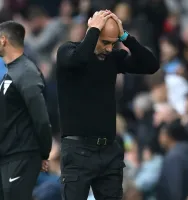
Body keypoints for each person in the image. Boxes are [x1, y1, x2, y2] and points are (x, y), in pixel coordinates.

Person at [56, 10, 159, 200]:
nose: (110, 48)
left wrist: (125, 37)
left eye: (113, 42)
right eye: (105, 42)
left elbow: (151, 65)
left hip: (109, 150)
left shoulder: (112, 58)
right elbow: (78, 60)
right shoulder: (67, 51)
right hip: (78, 150)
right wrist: (94, 29)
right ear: (91, 34)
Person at [0, 21, 52, 200]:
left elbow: (41, 119)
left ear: (3, 40)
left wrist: (45, 152)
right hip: (7, 155)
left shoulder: (27, 72)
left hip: (21, 155)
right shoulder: (11, 72)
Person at [157, 119, 188, 200]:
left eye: (161, 135)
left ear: (169, 137)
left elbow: (174, 189)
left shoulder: (174, 157)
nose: (159, 139)